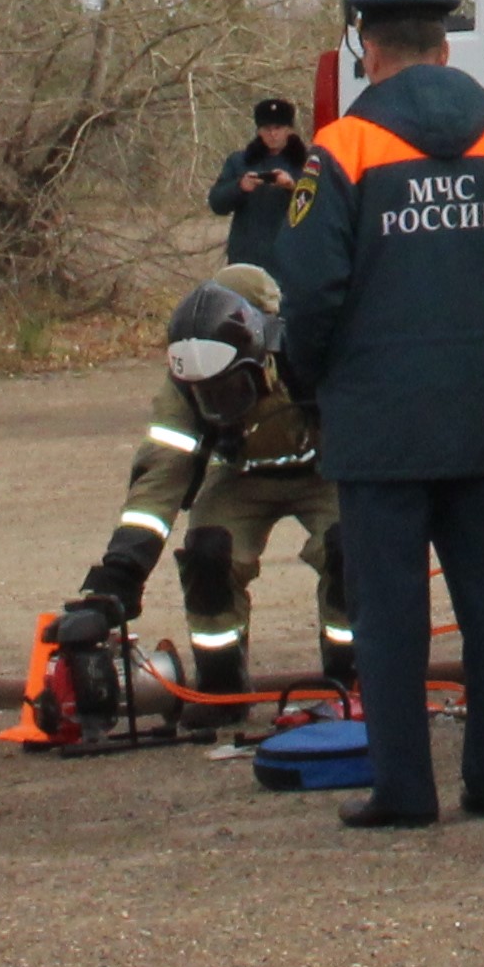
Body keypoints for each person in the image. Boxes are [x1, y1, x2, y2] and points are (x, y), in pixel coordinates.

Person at [279, 0, 484, 829]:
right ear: (445, 52)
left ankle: (404, 789)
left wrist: (313, 380)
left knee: (390, 613)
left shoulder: (342, 148)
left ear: (369, 53)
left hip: (378, 424)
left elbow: (312, 293)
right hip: (478, 417)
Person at [59, 264, 350, 721]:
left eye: (231, 386)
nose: (217, 400)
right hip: (241, 475)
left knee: (349, 549)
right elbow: (161, 476)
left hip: (324, 470)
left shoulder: (309, 352)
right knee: (208, 553)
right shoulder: (185, 387)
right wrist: (120, 573)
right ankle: (221, 685)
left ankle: (348, 682)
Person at [209, 99, 322, 281]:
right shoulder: (240, 162)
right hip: (247, 260)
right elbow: (217, 204)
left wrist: (292, 188)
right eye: (267, 129)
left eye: (278, 128)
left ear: (289, 129)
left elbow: (321, 208)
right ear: (259, 131)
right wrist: (240, 187)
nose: (273, 134)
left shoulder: (307, 163)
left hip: (291, 259)